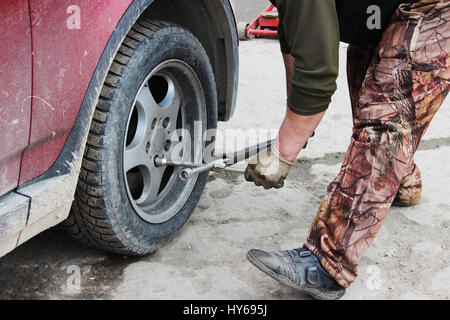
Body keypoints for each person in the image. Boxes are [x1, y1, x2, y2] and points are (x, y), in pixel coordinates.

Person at [245, 0, 450, 300]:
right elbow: (296, 35)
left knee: (386, 111)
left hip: (434, 8)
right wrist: (298, 121)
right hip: (385, 10)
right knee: (365, 72)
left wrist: (283, 151)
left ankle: (328, 263)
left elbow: (318, 77)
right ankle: (402, 181)